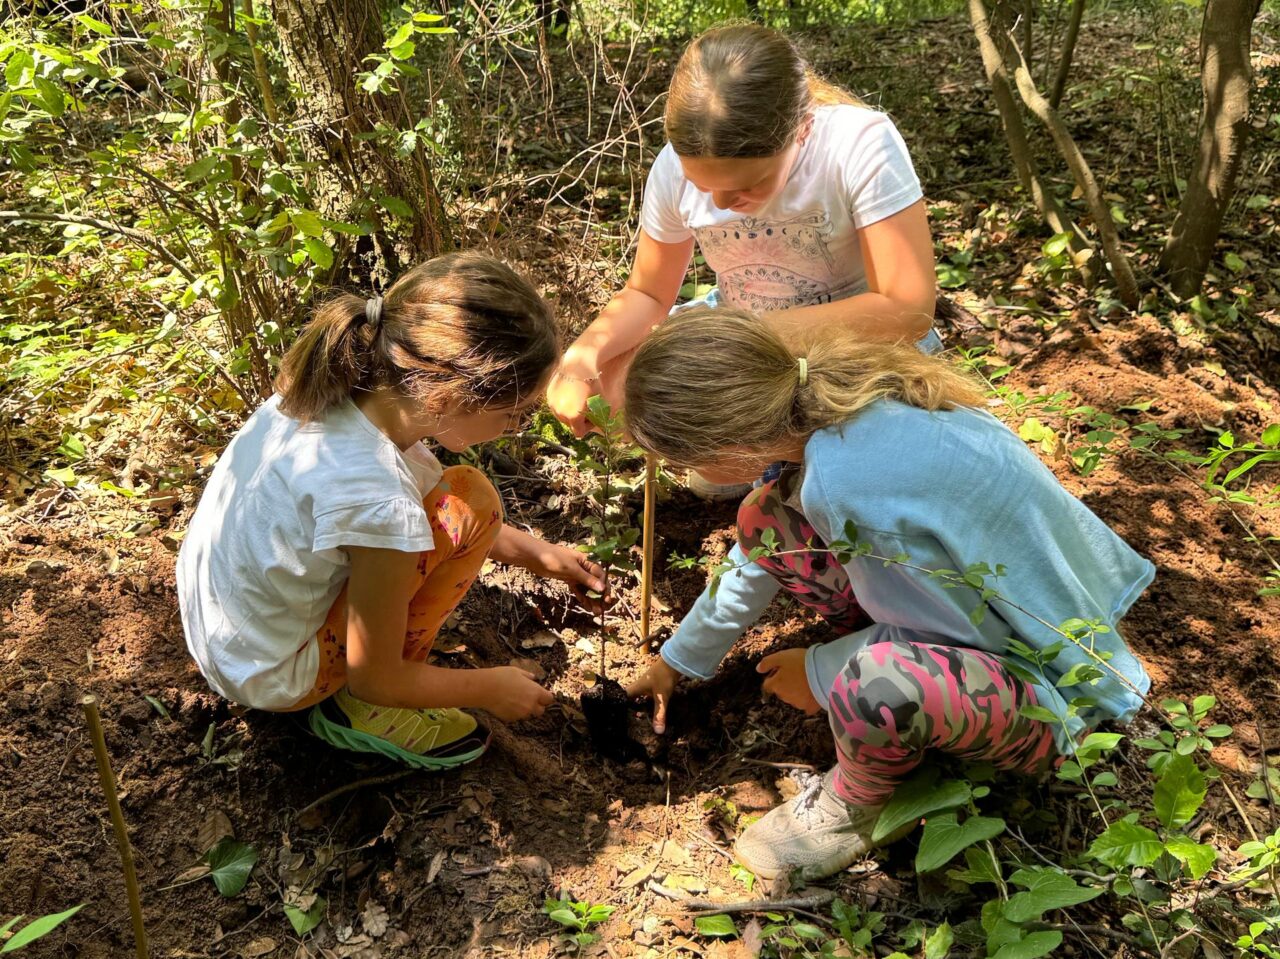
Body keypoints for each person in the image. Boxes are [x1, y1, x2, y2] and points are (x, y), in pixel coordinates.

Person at [622, 306, 1154, 880]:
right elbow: (759, 553)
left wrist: (823, 672)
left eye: (684, 460)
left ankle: (857, 805)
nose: (685, 475)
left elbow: (959, 627)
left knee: (877, 683)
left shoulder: (847, 484)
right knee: (764, 519)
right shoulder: (845, 404)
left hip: (1054, 685)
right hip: (1030, 611)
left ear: (725, 446)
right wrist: (678, 661)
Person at [177, 252, 605, 770]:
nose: (513, 428)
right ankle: (359, 713)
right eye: (512, 414)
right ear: (452, 396)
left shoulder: (335, 395)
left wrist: (541, 555)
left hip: (227, 636)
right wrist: (486, 688)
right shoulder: (380, 499)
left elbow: (425, 506)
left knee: (466, 497)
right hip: (274, 674)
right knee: (470, 495)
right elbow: (375, 674)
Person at [548, 22, 939, 460]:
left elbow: (907, 308)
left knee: (845, 462)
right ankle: (757, 460)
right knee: (621, 375)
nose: (721, 202)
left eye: (749, 184)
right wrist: (582, 358)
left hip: (851, 346)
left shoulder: (857, 145)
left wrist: (737, 336)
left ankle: (779, 461)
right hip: (741, 347)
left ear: (802, 130)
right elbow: (647, 292)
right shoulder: (672, 168)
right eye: (703, 185)